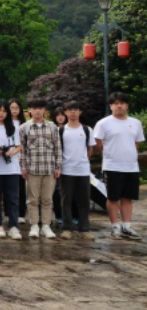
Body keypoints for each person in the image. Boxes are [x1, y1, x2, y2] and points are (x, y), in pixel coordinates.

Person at [94, 92, 144, 240]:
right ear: (111, 106)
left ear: (127, 106)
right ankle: (115, 226)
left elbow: (136, 143)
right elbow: (98, 143)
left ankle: (127, 226)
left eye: (122, 103)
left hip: (131, 166)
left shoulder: (135, 123)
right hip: (112, 166)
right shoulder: (103, 123)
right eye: (116, 103)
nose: (119, 106)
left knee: (127, 197)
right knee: (113, 197)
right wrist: (110, 154)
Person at [19, 99, 62, 239]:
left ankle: (46, 226)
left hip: (49, 169)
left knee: (47, 199)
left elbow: (58, 147)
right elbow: (22, 150)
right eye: (34, 108)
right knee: (32, 200)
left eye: (40, 108)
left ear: (44, 110)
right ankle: (34, 225)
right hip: (32, 170)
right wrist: (23, 167)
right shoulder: (24, 127)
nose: (37, 111)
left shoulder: (52, 127)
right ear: (30, 110)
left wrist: (58, 166)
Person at [59, 101, 95, 240]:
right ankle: (67, 228)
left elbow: (90, 149)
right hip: (66, 169)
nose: (73, 112)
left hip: (83, 170)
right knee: (66, 200)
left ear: (80, 112)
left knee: (84, 200)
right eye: (70, 109)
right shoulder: (61, 130)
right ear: (65, 112)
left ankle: (84, 228)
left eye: (75, 109)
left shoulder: (87, 130)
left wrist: (84, 160)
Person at [0, 100, 23, 240]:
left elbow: (19, 146)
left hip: (12, 169)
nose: (1, 113)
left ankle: (14, 226)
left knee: (13, 199)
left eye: (4, 111)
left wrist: (11, 152)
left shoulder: (13, 127)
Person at [9, 98, 28, 224]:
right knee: (8, 187)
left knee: (20, 187)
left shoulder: (24, 124)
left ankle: (21, 213)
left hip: (21, 158)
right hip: (8, 157)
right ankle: (9, 213)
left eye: (17, 108)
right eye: (12, 108)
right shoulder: (5, 123)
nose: (14, 110)